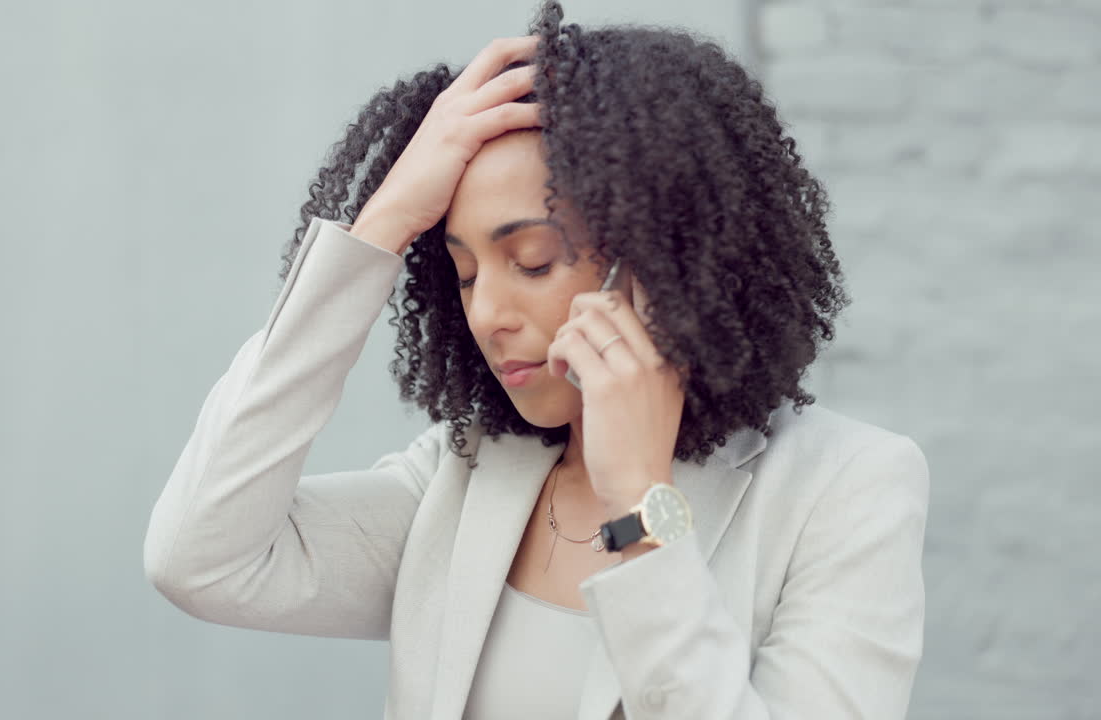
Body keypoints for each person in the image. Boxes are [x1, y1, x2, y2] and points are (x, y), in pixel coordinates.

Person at [143, 2, 930, 718]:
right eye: (465, 273)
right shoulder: (466, 476)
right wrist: (380, 226)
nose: (487, 315)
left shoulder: (846, 490)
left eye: (532, 261)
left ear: (663, 261)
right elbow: (203, 560)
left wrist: (640, 503)